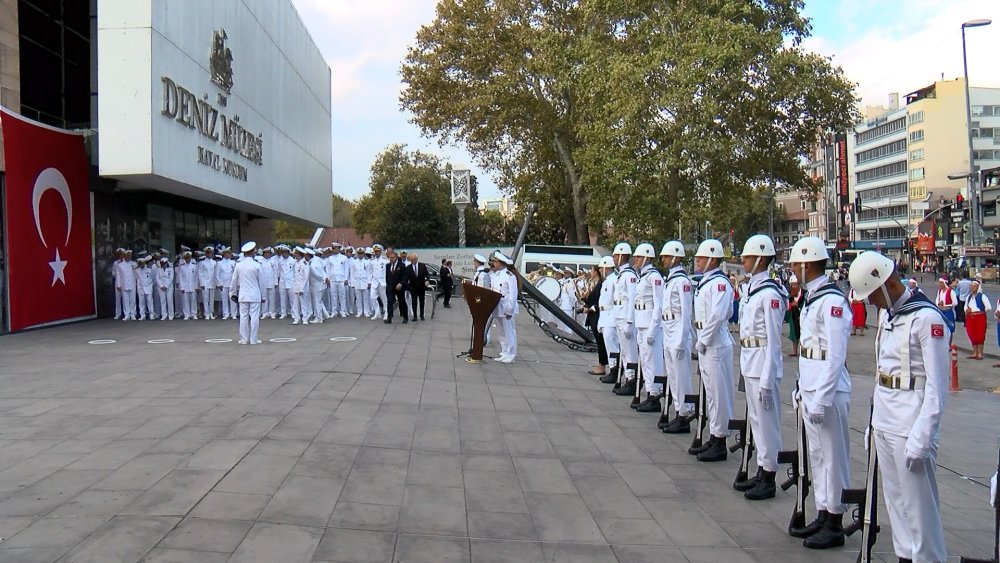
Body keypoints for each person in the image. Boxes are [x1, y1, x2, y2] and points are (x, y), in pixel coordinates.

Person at [848, 251, 951, 563]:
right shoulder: (888, 315)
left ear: (887, 284)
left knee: (919, 509)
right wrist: (874, 424)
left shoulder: (927, 319)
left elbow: (937, 386)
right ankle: (905, 556)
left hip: (910, 421)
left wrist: (924, 434)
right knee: (896, 503)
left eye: (872, 295)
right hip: (886, 419)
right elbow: (882, 373)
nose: (870, 302)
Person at [788, 237, 852, 548]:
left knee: (833, 457)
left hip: (829, 390)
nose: (792, 268)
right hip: (812, 386)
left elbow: (835, 356)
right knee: (817, 455)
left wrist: (822, 398)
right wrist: (802, 388)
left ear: (807, 264)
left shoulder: (832, 301)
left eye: (795, 263)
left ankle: (835, 520)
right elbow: (807, 351)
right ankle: (823, 512)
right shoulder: (813, 297)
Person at [735, 234, 786, 499]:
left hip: (763, 363)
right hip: (750, 360)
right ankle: (761, 468)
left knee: (767, 423)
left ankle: (769, 475)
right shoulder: (751, 290)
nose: (743, 260)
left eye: (748, 256)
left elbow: (774, 342)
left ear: (760, 260)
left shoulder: (770, 294)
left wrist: (768, 378)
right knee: (756, 420)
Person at [690, 239, 735, 462]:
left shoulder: (720, 283)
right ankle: (714, 435)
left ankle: (720, 441)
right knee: (711, 394)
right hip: (707, 342)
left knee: (719, 394)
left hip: (715, 344)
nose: (697, 260)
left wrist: (703, 340)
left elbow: (718, 315)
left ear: (712, 259)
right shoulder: (707, 282)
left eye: (701, 257)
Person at [658, 240, 695, 433]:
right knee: (673, 376)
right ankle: (679, 411)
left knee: (681, 376)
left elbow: (686, 312)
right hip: (669, 330)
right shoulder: (671, 279)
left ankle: (685, 414)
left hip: (678, 331)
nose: (663, 260)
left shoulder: (682, 281)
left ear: (675, 258)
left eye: (666, 256)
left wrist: (681, 340)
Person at [632, 243, 665, 413]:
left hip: (650, 325)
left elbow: (659, 305)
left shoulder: (654, 277)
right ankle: (650, 392)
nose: (636, 260)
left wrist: (653, 329)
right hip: (641, 323)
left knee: (653, 362)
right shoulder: (643, 276)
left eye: (638, 257)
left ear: (646, 258)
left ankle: (655, 396)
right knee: (645, 362)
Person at [611, 243, 640, 396]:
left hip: (625, 317)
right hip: (619, 315)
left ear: (622, 256)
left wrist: (630, 321)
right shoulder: (621, 274)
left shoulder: (629, 275)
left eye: (616, 255)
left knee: (630, 351)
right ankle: (628, 378)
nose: (614, 258)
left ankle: (631, 380)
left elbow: (633, 298)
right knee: (624, 350)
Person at [230, 241, 264, 345]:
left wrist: (232, 293)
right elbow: (262, 282)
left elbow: (234, 281)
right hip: (255, 294)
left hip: (243, 294)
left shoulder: (239, 265)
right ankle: (253, 339)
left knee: (243, 317)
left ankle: (243, 339)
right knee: (254, 317)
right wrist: (263, 296)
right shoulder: (257, 265)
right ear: (252, 252)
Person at [490, 251, 517, 363]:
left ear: (500, 263)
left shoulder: (509, 276)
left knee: (509, 331)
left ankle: (511, 353)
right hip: (498, 306)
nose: (493, 264)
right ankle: (504, 351)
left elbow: (513, 295)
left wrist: (509, 310)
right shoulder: (495, 275)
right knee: (501, 331)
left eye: (495, 262)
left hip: (506, 307)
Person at [597, 256, 620, 385]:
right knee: (608, 345)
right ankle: (612, 368)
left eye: (602, 268)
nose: (600, 270)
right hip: (605, 315)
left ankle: (614, 370)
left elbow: (614, 301)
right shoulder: (607, 281)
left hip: (611, 316)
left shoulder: (614, 280)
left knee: (612, 346)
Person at [964, 280, 991, 360]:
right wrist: (967, 310)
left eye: (974, 286)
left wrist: (980, 311)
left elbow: (988, 307)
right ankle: (974, 352)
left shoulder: (982, 296)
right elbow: (965, 306)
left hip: (979, 317)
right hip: (970, 317)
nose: (972, 287)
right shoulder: (969, 297)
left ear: (978, 287)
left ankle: (980, 353)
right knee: (972, 334)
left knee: (980, 335)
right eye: (972, 286)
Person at [385, 248, 408, 324]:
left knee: (402, 302)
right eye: (390, 258)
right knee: (389, 302)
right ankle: (389, 318)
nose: (390, 259)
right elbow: (387, 276)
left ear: (396, 257)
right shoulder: (388, 266)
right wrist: (388, 284)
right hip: (390, 287)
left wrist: (401, 283)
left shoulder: (401, 265)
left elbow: (405, 276)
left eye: (392, 257)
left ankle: (405, 317)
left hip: (399, 287)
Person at [406, 253, 430, 321]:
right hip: (413, 287)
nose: (412, 261)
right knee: (414, 301)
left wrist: (427, 280)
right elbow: (406, 278)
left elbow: (427, 274)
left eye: (414, 259)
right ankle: (415, 316)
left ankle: (422, 315)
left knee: (422, 301)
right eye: (411, 260)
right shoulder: (408, 268)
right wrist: (408, 286)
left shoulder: (422, 266)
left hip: (421, 286)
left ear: (416, 259)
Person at [115, 250, 137, 321]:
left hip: (132, 284)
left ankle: (133, 314)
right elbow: (118, 276)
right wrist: (118, 285)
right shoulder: (120, 265)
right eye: (127, 256)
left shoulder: (134, 264)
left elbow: (137, 274)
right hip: (124, 284)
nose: (128, 257)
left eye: (130, 256)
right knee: (125, 300)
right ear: (124, 256)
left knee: (133, 300)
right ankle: (127, 314)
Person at [370, 245, 389, 320]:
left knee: (384, 298)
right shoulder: (372, 261)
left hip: (382, 281)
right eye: (375, 251)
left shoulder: (385, 260)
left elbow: (388, 272)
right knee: (372, 297)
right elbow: (370, 272)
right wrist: (369, 281)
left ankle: (386, 312)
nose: (376, 253)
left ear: (381, 251)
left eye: (378, 251)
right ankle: (377, 312)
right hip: (374, 281)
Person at [199, 246, 218, 319]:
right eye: (208, 253)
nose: (209, 254)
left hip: (212, 282)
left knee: (211, 299)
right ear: (205, 254)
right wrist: (202, 283)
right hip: (205, 283)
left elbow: (216, 274)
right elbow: (200, 274)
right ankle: (206, 313)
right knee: (205, 299)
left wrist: (216, 283)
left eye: (210, 253)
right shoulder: (202, 263)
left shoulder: (214, 262)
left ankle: (211, 313)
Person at [291, 247, 309, 325]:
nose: (295, 255)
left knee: (303, 303)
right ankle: (296, 318)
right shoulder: (295, 263)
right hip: (296, 285)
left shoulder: (305, 263)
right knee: (295, 303)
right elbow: (294, 275)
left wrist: (302, 288)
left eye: (296, 253)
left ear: (299, 254)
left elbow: (306, 277)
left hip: (303, 286)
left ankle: (305, 318)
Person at [216, 248, 236, 320]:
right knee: (224, 299)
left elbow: (235, 273)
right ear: (223, 254)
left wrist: (235, 283)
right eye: (227, 253)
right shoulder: (219, 263)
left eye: (229, 253)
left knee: (233, 299)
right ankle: (226, 314)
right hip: (223, 284)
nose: (228, 254)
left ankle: (233, 314)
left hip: (231, 283)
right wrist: (219, 284)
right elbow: (217, 274)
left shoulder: (233, 262)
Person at [786, 279, 803, 356]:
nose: (793, 286)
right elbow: (786, 304)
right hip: (793, 316)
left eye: (794, 284)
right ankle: (794, 351)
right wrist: (791, 305)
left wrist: (798, 305)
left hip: (802, 316)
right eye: (792, 285)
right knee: (794, 334)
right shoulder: (790, 294)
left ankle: (802, 351)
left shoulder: (804, 294)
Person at [155, 256, 174, 321]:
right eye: (162, 264)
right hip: (161, 287)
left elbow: (171, 278)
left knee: (169, 300)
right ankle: (164, 315)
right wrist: (161, 286)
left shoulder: (171, 269)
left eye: (164, 264)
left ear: (166, 263)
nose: (163, 265)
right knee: (162, 301)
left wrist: (166, 286)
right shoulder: (159, 269)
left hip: (169, 287)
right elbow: (157, 278)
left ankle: (171, 315)